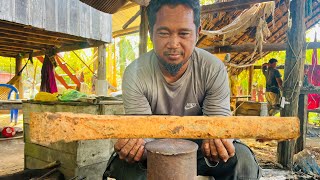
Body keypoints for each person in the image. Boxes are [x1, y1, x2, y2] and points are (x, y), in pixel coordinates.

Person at [104, 0, 261, 179]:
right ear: (150, 33)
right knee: (124, 166)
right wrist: (136, 144)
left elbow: (217, 125)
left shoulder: (213, 68)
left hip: (201, 152)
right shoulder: (135, 73)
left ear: (197, 33)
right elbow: (142, 135)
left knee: (243, 161)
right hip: (153, 151)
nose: (173, 44)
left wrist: (219, 139)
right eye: (163, 33)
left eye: (184, 33)